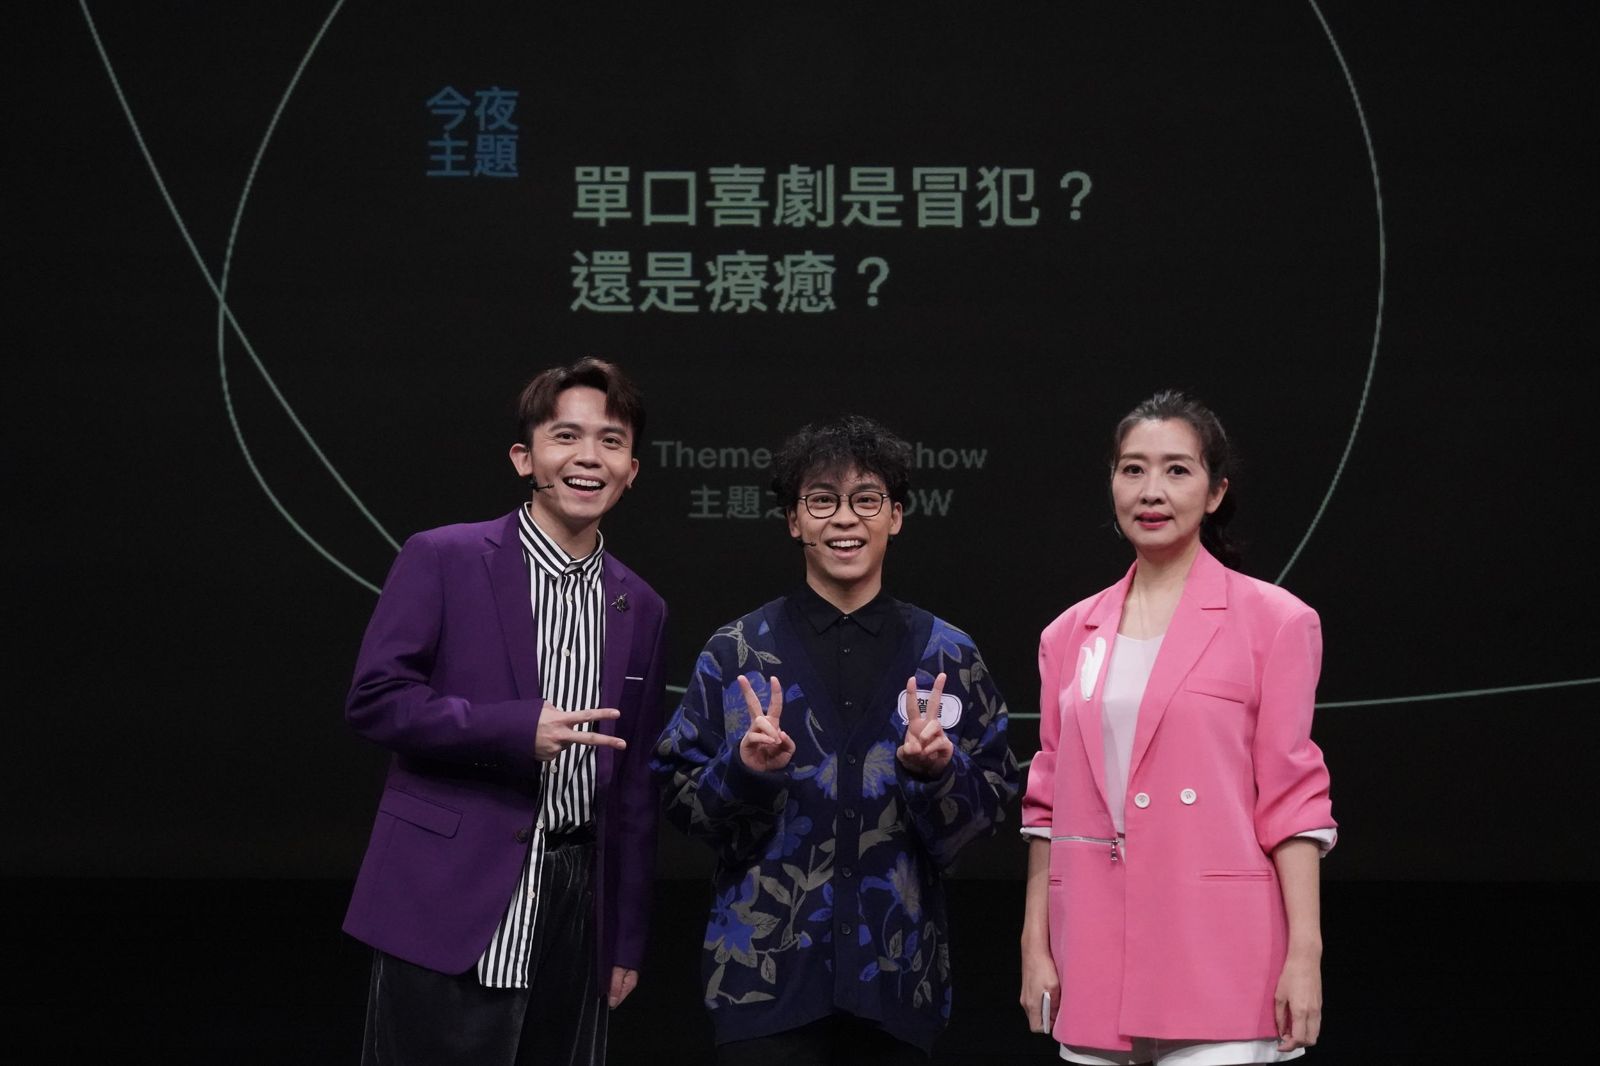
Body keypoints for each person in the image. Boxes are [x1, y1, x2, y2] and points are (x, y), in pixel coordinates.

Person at [652, 414, 1019, 1065]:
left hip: (897, 981)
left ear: (896, 516)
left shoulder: (948, 655)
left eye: (866, 500)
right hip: (763, 983)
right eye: (822, 500)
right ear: (794, 520)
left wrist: (937, 775)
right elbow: (677, 798)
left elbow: (989, 810)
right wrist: (746, 772)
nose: (844, 519)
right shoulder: (737, 651)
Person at [342, 357, 669, 1065]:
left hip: (577, 908)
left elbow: (635, 785)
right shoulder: (444, 556)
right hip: (450, 890)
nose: (589, 457)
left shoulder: (641, 605)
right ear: (525, 458)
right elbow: (374, 700)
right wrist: (516, 729)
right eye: (566, 436)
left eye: (611, 441)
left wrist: (624, 937)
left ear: (632, 471)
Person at [1019, 390, 1337, 1065]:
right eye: (1132, 469)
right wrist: (1034, 944)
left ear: (1216, 492)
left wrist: (1305, 955)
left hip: (1221, 948)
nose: (1151, 491)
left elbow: (1293, 801)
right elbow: (1048, 805)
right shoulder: (1068, 634)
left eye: (1177, 470)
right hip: (1094, 945)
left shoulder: (1275, 622)